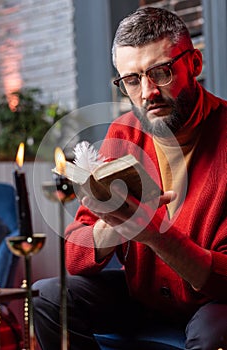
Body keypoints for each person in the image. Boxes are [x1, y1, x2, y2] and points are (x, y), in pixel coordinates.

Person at [33, 6, 227, 350]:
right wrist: (115, 226)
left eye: (161, 72)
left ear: (194, 64)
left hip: (212, 302)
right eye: (132, 80)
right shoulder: (123, 132)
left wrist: (156, 235)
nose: (147, 92)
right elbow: (76, 258)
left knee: (215, 335)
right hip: (144, 296)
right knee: (48, 297)